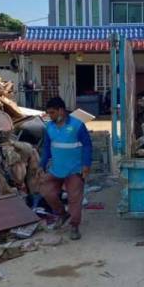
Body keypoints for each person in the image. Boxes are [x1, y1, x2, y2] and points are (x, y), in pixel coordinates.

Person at [39, 97, 92, 240]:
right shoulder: (49, 127)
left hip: (74, 170)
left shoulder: (77, 125)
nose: (50, 116)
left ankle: (74, 226)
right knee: (47, 192)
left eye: (52, 113)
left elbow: (87, 145)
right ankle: (62, 214)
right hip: (56, 169)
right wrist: (42, 164)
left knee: (74, 199)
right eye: (49, 113)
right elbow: (47, 147)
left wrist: (86, 165)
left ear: (61, 110)